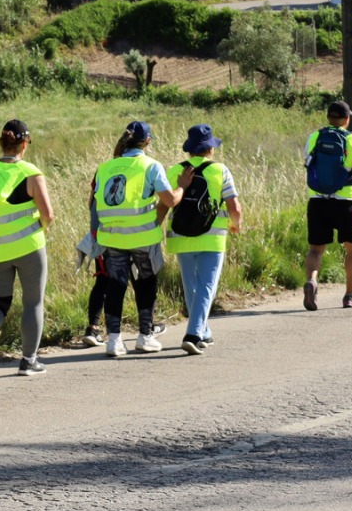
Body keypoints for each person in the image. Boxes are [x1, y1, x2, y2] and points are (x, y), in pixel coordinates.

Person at [0, 119, 54, 378]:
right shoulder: (30, 172)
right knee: (33, 302)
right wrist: (42, 226)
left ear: (2, 142)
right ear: (24, 143)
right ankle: (29, 361)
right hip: (28, 246)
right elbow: (48, 213)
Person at [91, 120, 182, 357]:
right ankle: (145, 336)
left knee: (115, 286)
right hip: (143, 237)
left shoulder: (104, 168)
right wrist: (181, 187)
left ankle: (113, 340)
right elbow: (170, 200)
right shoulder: (151, 166)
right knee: (146, 284)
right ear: (147, 141)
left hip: (111, 237)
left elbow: (93, 202)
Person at [166, 124, 243, 355]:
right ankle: (192, 334)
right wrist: (235, 224)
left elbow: (167, 201)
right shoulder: (220, 170)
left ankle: (204, 331)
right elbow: (234, 207)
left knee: (192, 286)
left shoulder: (174, 171)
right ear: (210, 148)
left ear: (189, 149)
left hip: (180, 236)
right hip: (212, 238)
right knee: (207, 287)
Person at [303, 100, 352, 310]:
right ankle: (350, 295)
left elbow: (309, 167)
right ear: (347, 119)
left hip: (317, 200)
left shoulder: (313, 138)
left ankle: (312, 280)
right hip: (345, 202)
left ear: (328, 117)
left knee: (316, 249)